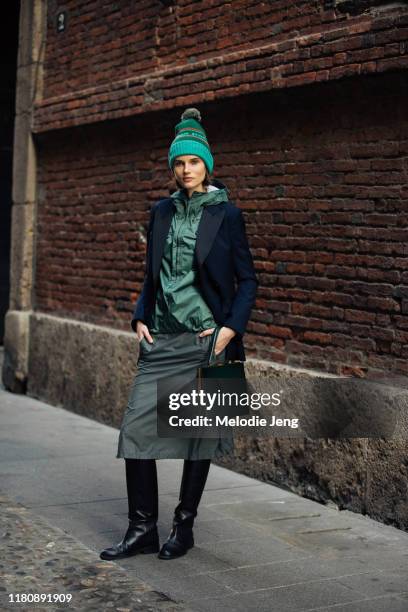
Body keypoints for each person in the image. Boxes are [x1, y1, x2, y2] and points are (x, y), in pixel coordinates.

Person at [100, 108, 258, 562]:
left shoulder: (227, 214)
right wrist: (139, 315)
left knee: (198, 438)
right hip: (161, 341)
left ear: (207, 163)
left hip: (209, 341)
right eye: (178, 163)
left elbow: (248, 280)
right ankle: (141, 528)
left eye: (193, 161)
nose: (185, 170)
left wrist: (230, 329)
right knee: (135, 432)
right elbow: (152, 275)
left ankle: (182, 527)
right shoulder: (161, 212)